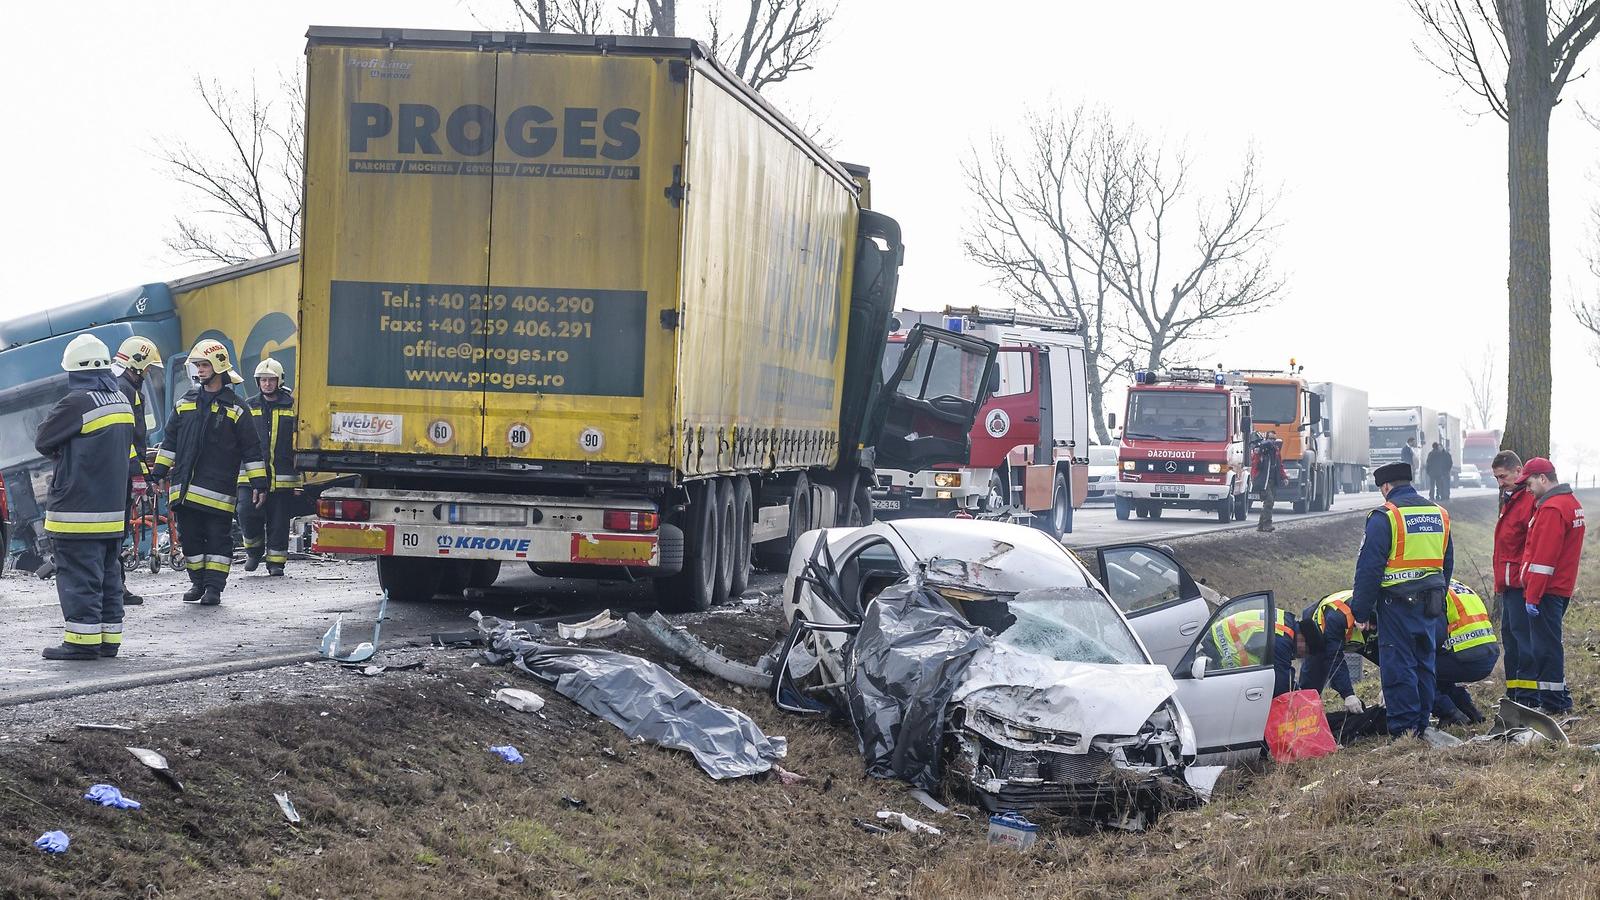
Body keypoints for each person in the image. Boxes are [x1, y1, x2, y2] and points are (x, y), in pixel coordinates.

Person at [32, 335, 136, 660]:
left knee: (78, 577)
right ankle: (107, 640)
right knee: (107, 577)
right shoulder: (121, 399)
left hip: (77, 513)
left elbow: (43, 439)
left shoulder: (76, 402)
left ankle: (81, 642)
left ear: (74, 370)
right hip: (112, 512)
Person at [150, 340, 267, 606]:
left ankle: (214, 588)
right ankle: (198, 582)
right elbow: (170, 443)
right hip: (185, 491)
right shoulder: (185, 403)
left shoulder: (237, 408)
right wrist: (158, 473)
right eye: (198, 366)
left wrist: (259, 483)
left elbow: (252, 449)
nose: (199, 371)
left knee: (217, 540)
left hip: (218, 492)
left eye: (204, 365)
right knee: (190, 539)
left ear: (218, 368)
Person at [1350, 462, 1453, 739]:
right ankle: (1421, 723)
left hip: (1396, 604)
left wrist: (1360, 610)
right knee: (1424, 663)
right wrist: (1439, 595)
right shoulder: (1439, 514)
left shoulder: (1386, 516)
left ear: (1386, 487)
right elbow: (1447, 562)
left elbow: (1369, 568)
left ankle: (1404, 730)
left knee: (1399, 664)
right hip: (1431, 602)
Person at [1518, 457, 1586, 715]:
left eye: (1531, 482)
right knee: (1550, 644)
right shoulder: (1571, 504)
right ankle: (1559, 697)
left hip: (1547, 590)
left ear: (1543, 478)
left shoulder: (1551, 509)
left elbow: (1543, 561)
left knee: (1545, 648)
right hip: (1561, 587)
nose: (1528, 489)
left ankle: (1554, 704)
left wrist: (1533, 596)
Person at [111, 336, 164, 607]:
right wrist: (140, 474)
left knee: (116, 531)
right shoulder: (127, 390)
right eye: (147, 368)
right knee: (116, 531)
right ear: (138, 364)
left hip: (120, 469)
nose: (148, 373)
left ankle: (116, 586)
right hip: (122, 472)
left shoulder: (120, 385)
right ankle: (115, 588)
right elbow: (131, 438)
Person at [237, 358, 299, 576]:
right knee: (245, 512)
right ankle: (253, 551)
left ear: (279, 381)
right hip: (250, 476)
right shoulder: (248, 406)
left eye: (271, 380)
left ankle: (276, 563)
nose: (267, 384)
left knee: (279, 520)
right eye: (263, 380)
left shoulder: (292, 407)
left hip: (281, 476)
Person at [1491, 450, 1538, 706]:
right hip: (1508, 583)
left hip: (1521, 582)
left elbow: (1530, 543)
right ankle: (1514, 692)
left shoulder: (1527, 499)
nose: (1500, 483)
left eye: (1503, 476)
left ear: (1519, 472)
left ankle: (1528, 696)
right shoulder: (1510, 498)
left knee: (1523, 639)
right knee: (1510, 636)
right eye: (1497, 478)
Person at [1434, 580, 1500, 725]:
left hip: (1467, 657)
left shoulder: (1433, 590)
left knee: (1415, 670)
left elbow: (1435, 639)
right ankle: (1467, 709)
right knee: (1439, 672)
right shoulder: (1456, 585)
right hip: (1488, 653)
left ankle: (1448, 711)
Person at [1298, 590, 1368, 713]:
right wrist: (1348, 694)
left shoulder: (1383, 610)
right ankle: (1305, 714)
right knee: (1312, 681)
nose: (1370, 628)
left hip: (1349, 629)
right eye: (1369, 624)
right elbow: (1334, 657)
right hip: (1319, 630)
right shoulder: (1337, 617)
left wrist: (1388, 686)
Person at [1203, 605, 1298, 695]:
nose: (1299, 657)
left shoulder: (1285, 621)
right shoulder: (1281, 641)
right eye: (1305, 652)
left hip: (1216, 635)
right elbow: (1280, 686)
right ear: (1303, 640)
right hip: (1216, 649)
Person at [1252, 433, 1286, 533]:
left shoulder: (1276, 452)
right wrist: (1259, 452)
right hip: (1263, 481)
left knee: (1268, 503)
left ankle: (1260, 525)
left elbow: (1280, 466)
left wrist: (1284, 477)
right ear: (1266, 439)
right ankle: (1267, 524)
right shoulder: (1261, 451)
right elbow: (1255, 464)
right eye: (1270, 439)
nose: (1272, 441)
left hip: (1272, 481)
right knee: (1269, 501)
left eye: (1274, 439)